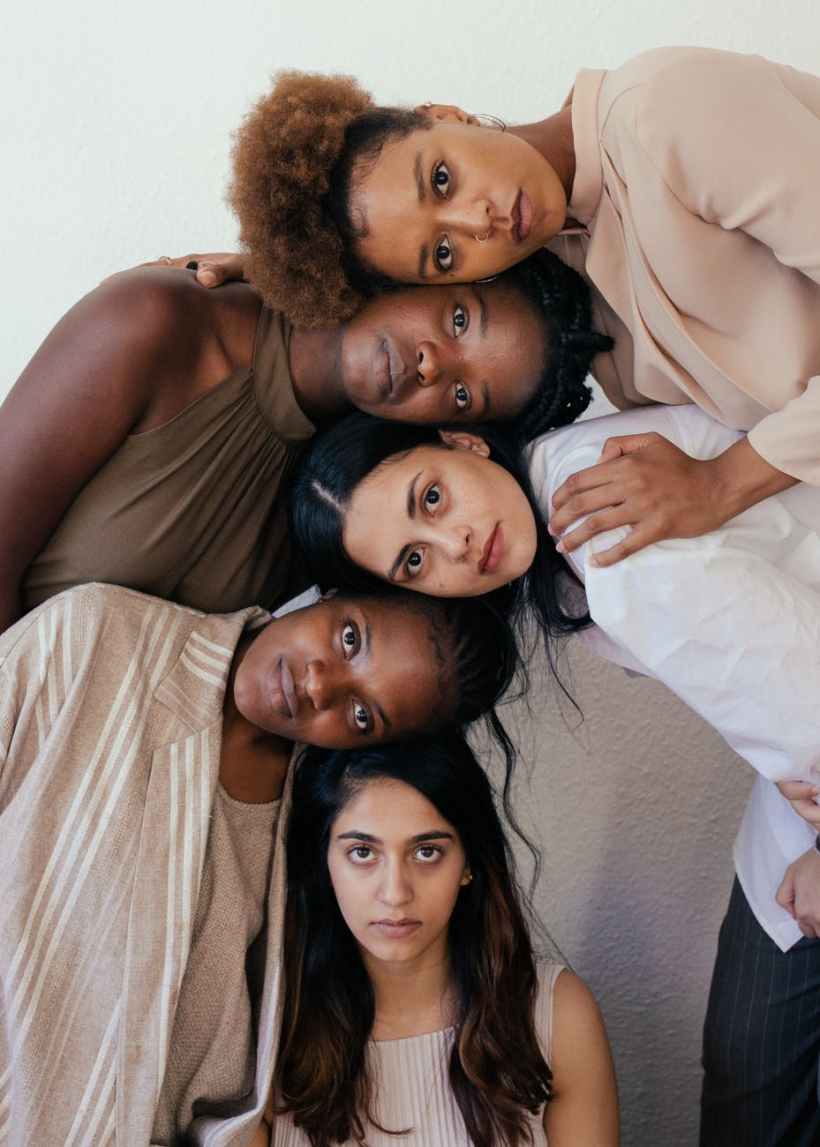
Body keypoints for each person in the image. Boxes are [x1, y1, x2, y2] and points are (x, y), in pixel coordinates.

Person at [290, 400, 820, 1145]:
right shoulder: (559, 527)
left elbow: (806, 700)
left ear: (463, 441)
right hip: (795, 776)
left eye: (432, 497)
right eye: (415, 560)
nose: (455, 542)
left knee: (754, 1085)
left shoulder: (603, 539)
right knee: (749, 1067)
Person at [227, 50, 820, 562]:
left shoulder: (659, 112)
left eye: (441, 179)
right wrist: (259, 277)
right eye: (442, 253)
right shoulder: (574, 298)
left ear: (444, 116)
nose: (477, 221)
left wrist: (721, 484)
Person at [0, 579, 517, 1145]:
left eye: (362, 715)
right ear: (332, 593)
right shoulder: (93, 637)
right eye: (349, 638)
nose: (318, 685)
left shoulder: (315, 842)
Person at [0, 245, 607, 635]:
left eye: (464, 395)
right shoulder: (155, 320)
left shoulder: (350, 508)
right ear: (422, 266)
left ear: (460, 433)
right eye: (458, 320)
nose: (433, 365)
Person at [261, 733, 618, 1146]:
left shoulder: (555, 1015)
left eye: (426, 851)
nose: (395, 893)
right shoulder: (265, 1033)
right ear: (324, 864)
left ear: (468, 863)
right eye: (362, 852)